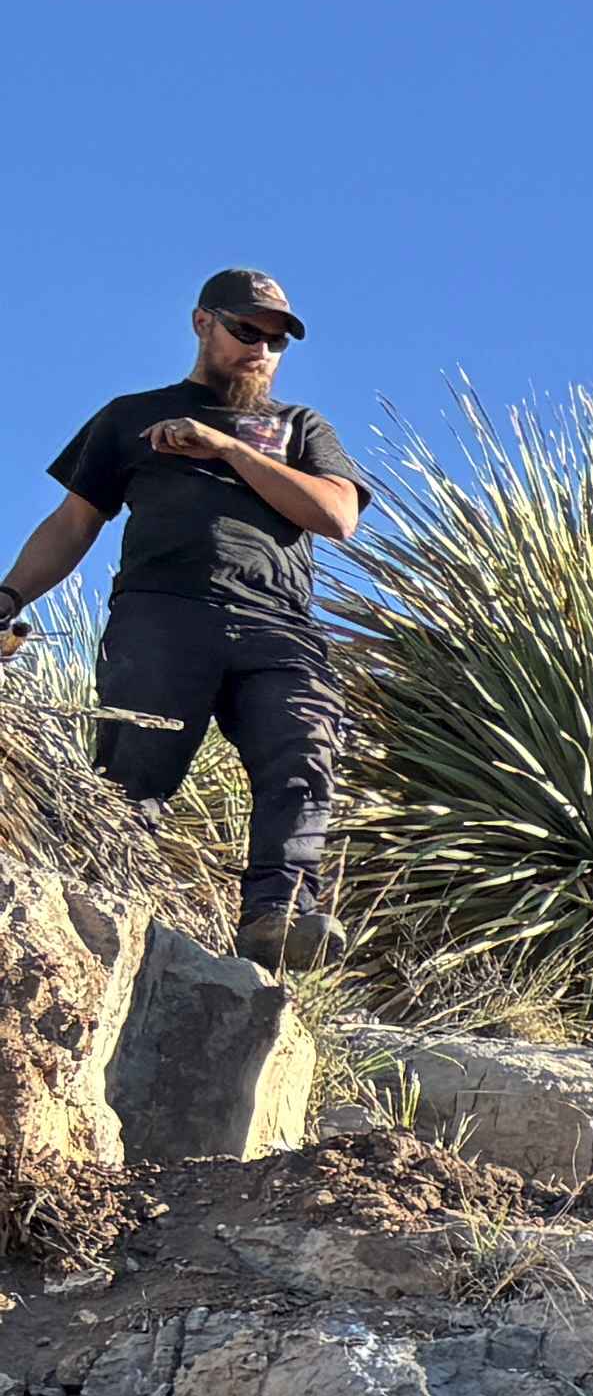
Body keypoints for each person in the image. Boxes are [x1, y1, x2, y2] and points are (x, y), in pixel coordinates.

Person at [1, 270, 366, 965]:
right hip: (161, 614)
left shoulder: (299, 427)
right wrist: (9, 597)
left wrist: (227, 448)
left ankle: (279, 919)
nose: (261, 349)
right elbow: (75, 523)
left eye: (276, 340)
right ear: (204, 323)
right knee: (133, 774)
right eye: (246, 331)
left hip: (278, 624)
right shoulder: (128, 417)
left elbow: (337, 514)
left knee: (305, 748)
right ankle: (103, 924)